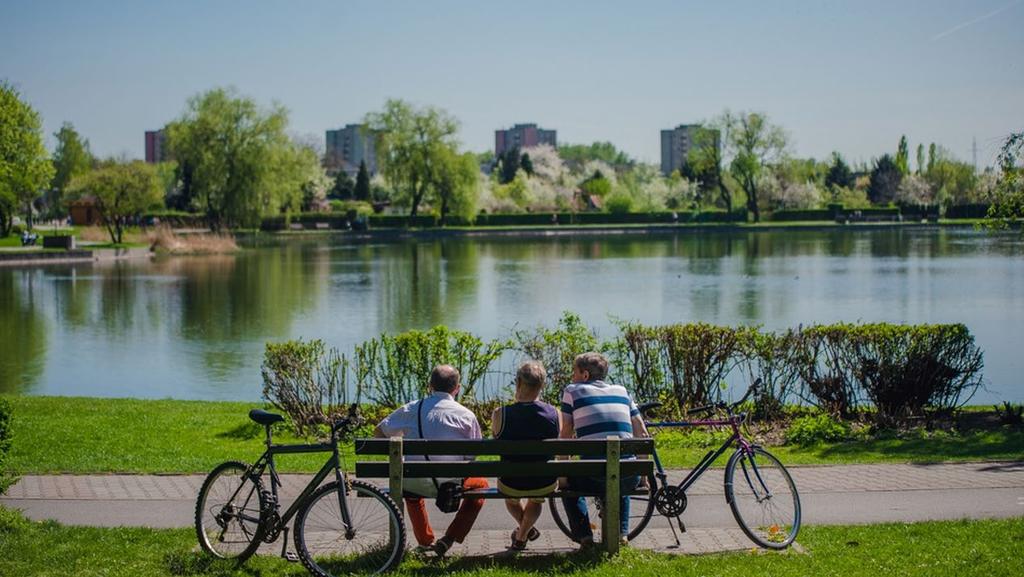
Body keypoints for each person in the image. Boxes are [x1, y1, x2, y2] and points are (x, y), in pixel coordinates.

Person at [373, 365, 489, 557]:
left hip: (414, 481)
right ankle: (449, 538)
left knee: (411, 491)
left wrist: (399, 457)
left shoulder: (411, 409)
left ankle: (426, 542)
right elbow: (471, 456)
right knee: (481, 485)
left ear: (430, 386)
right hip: (453, 484)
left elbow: (379, 431)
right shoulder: (467, 416)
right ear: (457, 388)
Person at [559, 352, 650, 548]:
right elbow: (641, 432)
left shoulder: (572, 391)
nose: (571, 377)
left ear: (584, 375)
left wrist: (563, 476)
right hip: (628, 476)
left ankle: (585, 537)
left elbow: (566, 432)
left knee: (570, 487)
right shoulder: (622, 391)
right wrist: (641, 478)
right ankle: (621, 534)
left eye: (574, 372)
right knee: (619, 470)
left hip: (592, 477)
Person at [490, 361, 560, 551]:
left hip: (510, 482)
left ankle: (524, 533)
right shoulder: (555, 413)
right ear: (542, 385)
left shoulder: (500, 414)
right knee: (535, 498)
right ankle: (522, 536)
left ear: (518, 382)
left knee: (511, 499)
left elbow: (496, 441)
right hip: (544, 481)